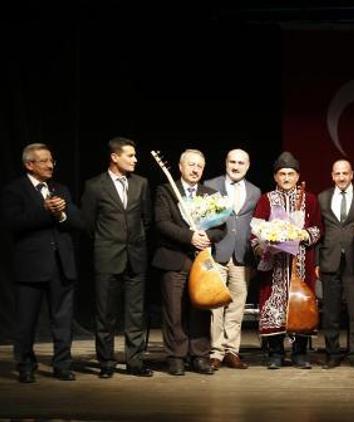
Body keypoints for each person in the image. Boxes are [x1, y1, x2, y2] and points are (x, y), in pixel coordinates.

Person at [2, 143, 85, 383]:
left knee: (63, 322)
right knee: (26, 322)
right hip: (31, 267)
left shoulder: (61, 189)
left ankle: (62, 365)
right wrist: (44, 210)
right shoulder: (14, 190)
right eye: (44, 161)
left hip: (61, 265)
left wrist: (61, 214)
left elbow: (79, 222)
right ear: (29, 164)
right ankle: (26, 365)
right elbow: (12, 223)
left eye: (52, 161)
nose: (50, 165)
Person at [81, 137, 153, 378]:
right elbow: (88, 224)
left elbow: (147, 219)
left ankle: (134, 362)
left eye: (135, 155)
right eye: (130, 155)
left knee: (135, 314)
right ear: (114, 157)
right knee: (105, 314)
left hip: (135, 257)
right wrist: (107, 243)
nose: (135, 159)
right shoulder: (94, 185)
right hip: (107, 257)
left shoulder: (141, 183)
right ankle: (107, 363)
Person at [152, 149, 226, 376]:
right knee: (174, 311)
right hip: (175, 258)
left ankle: (200, 356)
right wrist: (189, 237)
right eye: (191, 165)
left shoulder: (209, 194)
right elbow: (162, 223)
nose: (195, 170)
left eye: (199, 166)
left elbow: (220, 228)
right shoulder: (166, 190)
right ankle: (176, 356)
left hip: (201, 261)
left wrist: (207, 237)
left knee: (201, 309)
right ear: (181, 166)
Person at [251, 151, 322, 370]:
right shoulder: (266, 200)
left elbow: (318, 228)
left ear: (298, 176)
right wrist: (265, 242)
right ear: (275, 177)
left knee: (301, 304)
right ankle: (275, 352)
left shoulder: (309, 199)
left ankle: (300, 352)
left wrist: (303, 235)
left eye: (291, 174)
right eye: (282, 174)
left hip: (301, 262)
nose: (286, 178)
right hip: (274, 264)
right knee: (274, 303)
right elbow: (256, 230)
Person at [203, 149, 261, 371]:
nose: (236, 166)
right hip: (217, 253)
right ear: (226, 163)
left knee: (237, 306)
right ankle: (215, 352)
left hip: (242, 255)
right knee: (215, 306)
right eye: (232, 162)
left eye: (241, 162)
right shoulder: (211, 184)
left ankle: (232, 351)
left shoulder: (254, 191)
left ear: (248, 166)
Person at [316, 159, 354, 369]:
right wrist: (317, 260)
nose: (341, 177)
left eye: (345, 173)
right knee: (330, 312)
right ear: (332, 175)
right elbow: (320, 231)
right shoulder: (322, 197)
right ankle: (332, 353)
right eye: (337, 173)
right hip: (329, 260)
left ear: (351, 175)